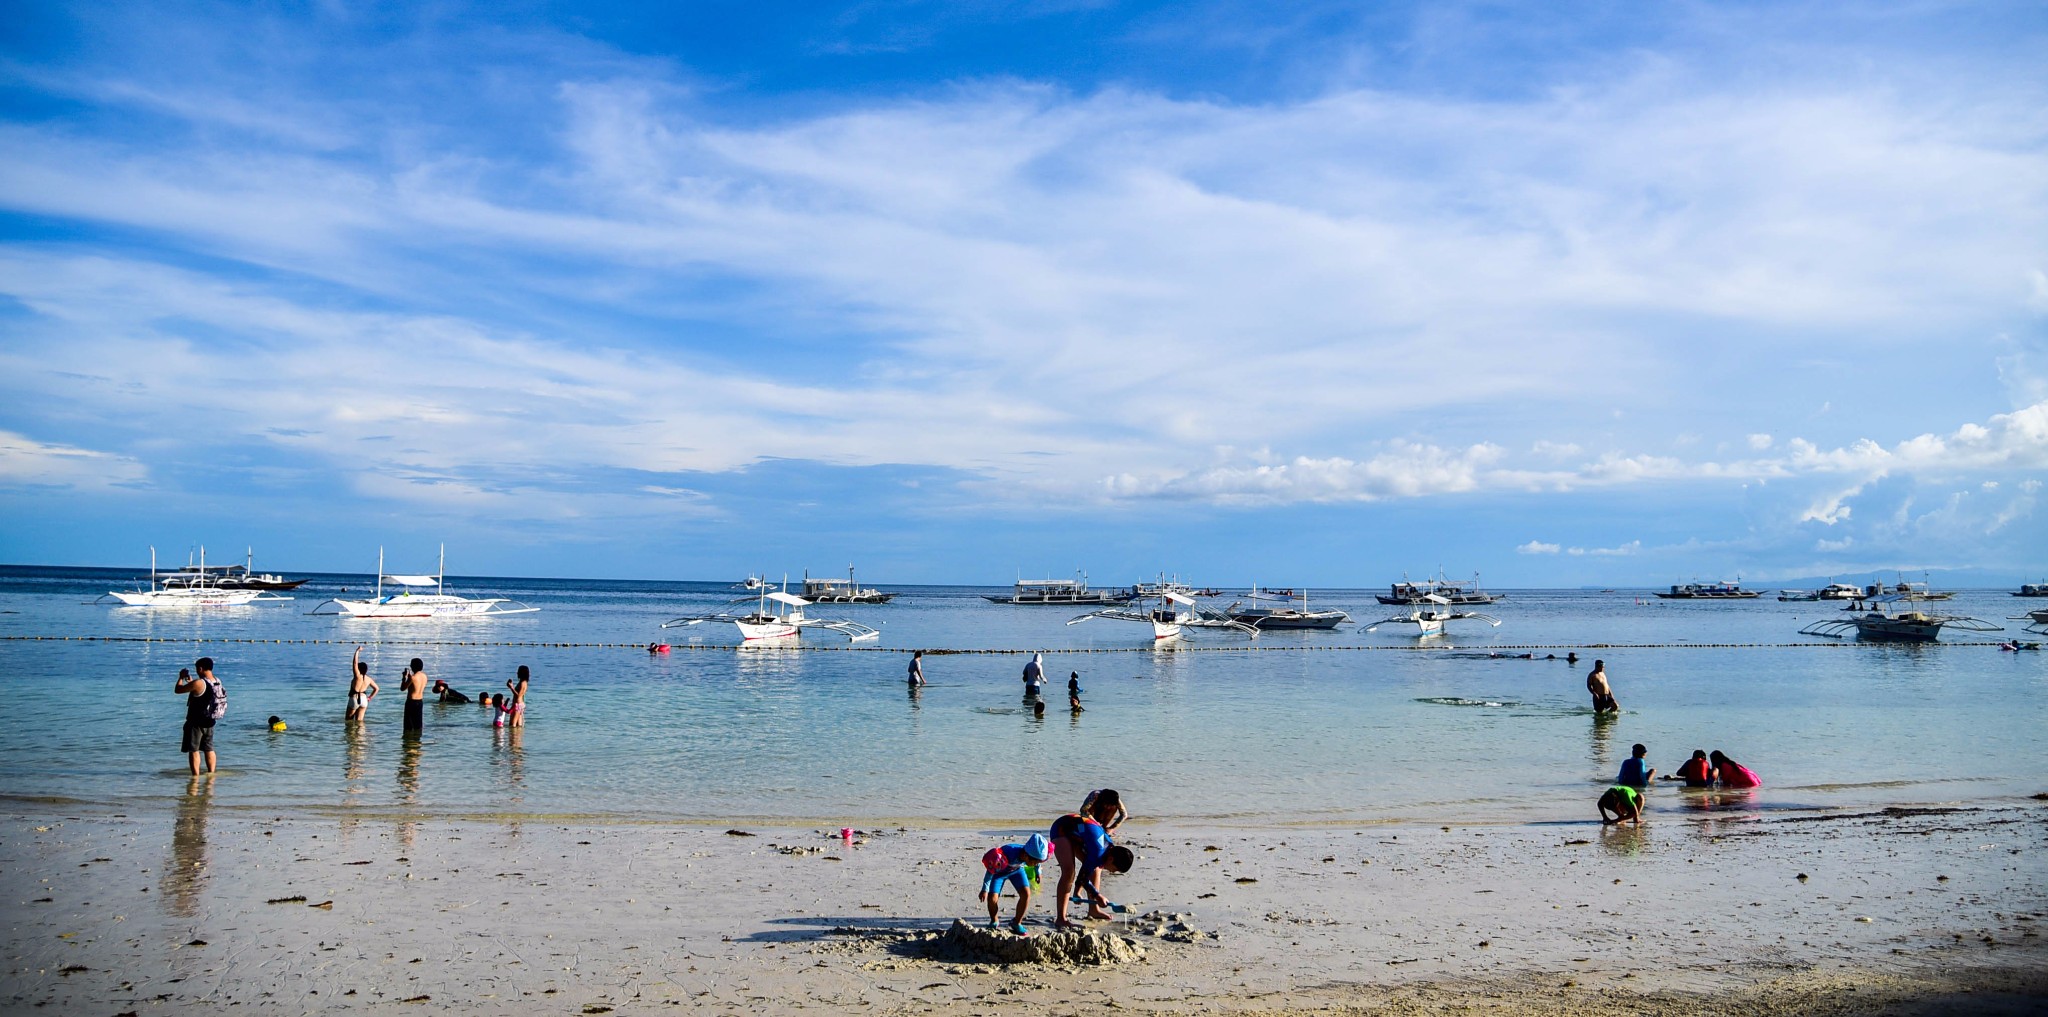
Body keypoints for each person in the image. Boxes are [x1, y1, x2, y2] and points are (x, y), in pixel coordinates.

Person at [1050, 790, 1136, 928]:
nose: (1113, 872)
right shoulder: (1098, 851)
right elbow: (1082, 877)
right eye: (1115, 870)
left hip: (1079, 833)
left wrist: (1079, 890)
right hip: (1062, 828)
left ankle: (1093, 910)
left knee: (1096, 869)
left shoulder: (1108, 848)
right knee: (1068, 872)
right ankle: (1061, 918)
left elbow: (1086, 871)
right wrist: (1097, 896)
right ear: (1111, 858)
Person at [978, 833, 1051, 935]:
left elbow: (1037, 863)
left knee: (1026, 894)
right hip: (999, 872)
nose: (1035, 864)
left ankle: (1017, 922)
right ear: (1026, 856)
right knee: (992, 898)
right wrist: (984, 889)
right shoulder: (1007, 852)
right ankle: (994, 920)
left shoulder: (1030, 854)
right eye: (1034, 862)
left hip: (1017, 870)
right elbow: (990, 871)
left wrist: (1038, 873)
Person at [175, 658, 224, 776]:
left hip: (196, 722)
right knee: (209, 749)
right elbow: (202, 692)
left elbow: (178, 690)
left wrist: (181, 678)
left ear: (200, 668)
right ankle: (211, 774)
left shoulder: (198, 683)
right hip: (211, 720)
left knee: (194, 750)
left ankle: (195, 776)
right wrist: (191, 681)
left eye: (197, 668)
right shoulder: (217, 681)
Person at [345, 647, 378, 723]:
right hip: (364, 700)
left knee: (348, 722)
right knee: (360, 723)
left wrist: (357, 651)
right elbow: (376, 689)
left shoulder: (357, 676)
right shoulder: (369, 679)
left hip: (354, 698)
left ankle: (350, 735)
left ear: (359, 669)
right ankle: (361, 735)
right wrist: (369, 698)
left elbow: (355, 663)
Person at [401, 658, 428, 735]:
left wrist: (404, 678)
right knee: (418, 725)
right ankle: (417, 741)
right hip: (420, 701)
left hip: (411, 702)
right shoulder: (424, 676)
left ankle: (409, 742)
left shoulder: (413, 677)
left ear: (413, 666)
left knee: (408, 726)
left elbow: (402, 688)